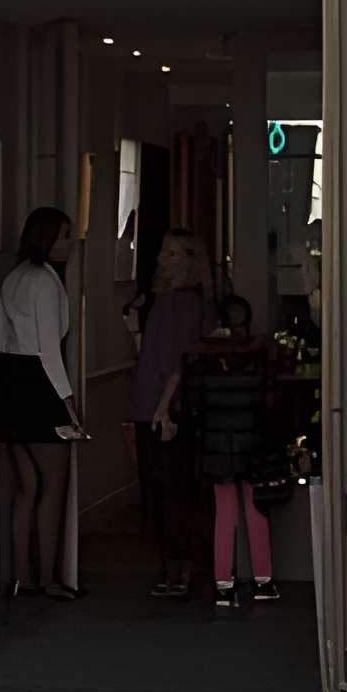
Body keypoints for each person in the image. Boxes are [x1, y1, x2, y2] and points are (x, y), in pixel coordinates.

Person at [0, 207, 82, 600]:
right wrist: (69, 402)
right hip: (40, 387)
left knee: (27, 488)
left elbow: (1, 338)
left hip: (8, 382)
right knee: (53, 489)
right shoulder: (45, 281)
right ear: (47, 237)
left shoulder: (13, 277)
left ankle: (23, 578)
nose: (71, 243)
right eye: (65, 236)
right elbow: (48, 350)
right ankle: (49, 580)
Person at [181, 295, 289, 610]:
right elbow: (270, 404)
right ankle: (263, 581)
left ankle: (223, 586)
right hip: (251, 444)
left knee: (224, 514)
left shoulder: (203, 358)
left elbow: (193, 406)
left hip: (216, 446)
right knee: (256, 511)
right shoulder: (259, 356)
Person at [133, 232, 213, 598]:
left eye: (173, 252)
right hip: (148, 400)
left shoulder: (185, 303)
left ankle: (180, 570)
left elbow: (180, 362)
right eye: (163, 250)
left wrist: (164, 409)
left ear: (189, 260)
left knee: (173, 492)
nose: (163, 257)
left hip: (162, 406)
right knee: (159, 490)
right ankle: (171, 567)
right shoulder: (163, 301)